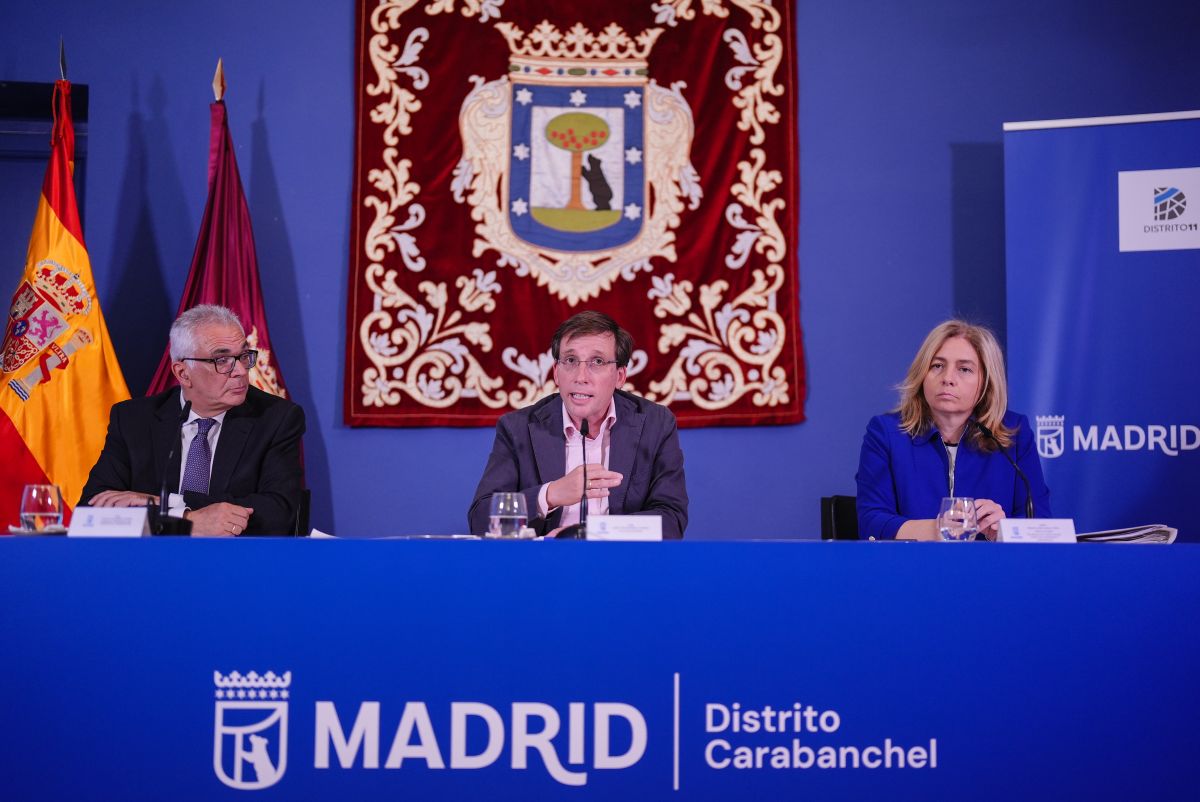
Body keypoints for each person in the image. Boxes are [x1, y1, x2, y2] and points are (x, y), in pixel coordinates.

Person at [79, 305, 305, 536]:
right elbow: (93, 507)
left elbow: (278, 512)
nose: (240, 371)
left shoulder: (276, 418)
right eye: (222, 360)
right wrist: (188, 519)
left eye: (244, 356)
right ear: (183, 373)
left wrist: (167, 505)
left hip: (233, 557)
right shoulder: (134, 420)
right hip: (152, 556)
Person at [468, 311, 688, 539]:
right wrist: (550, 494)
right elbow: (480, 520)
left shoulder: (655, 424)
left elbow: (671, 520)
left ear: (620, 376)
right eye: (571, 361)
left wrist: (589, 534)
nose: (580, 377)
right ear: (556, 372)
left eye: (597, 362)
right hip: (545, 559)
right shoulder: (518, 428)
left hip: (622, 558)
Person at [855, 319, 1050, 541]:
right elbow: (871, 523)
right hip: (913, 562)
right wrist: (939, 529)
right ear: (922, 373)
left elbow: (1040, 523)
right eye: (937, 366)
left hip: (991, 562)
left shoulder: (1014, 433)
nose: (947, 379)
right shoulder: (886, 433)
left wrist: (1003, 530)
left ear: (986, 382)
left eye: (964, 369)